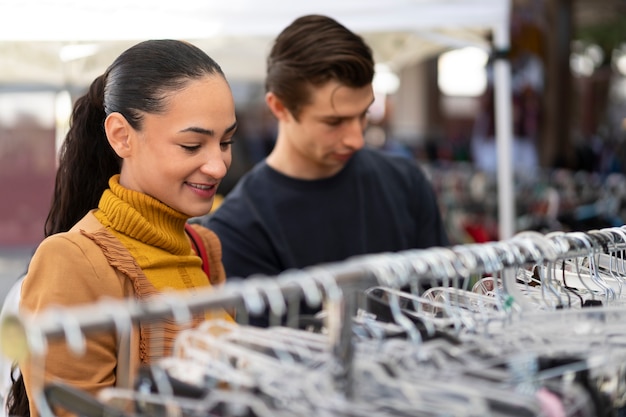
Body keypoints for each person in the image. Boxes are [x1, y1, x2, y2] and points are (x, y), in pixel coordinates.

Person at [9, 39, 237, 417]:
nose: (218, 165)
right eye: (192, 145)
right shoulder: (72, 260)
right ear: (121, 136)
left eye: (226, 141)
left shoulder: (201, 245)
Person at [200, 15, 449, 327]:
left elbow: (443, 305)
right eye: (334, 122)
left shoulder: (406, 182)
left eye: (363, 114)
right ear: (279, 107)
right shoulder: (240, 227)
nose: (356, 138)